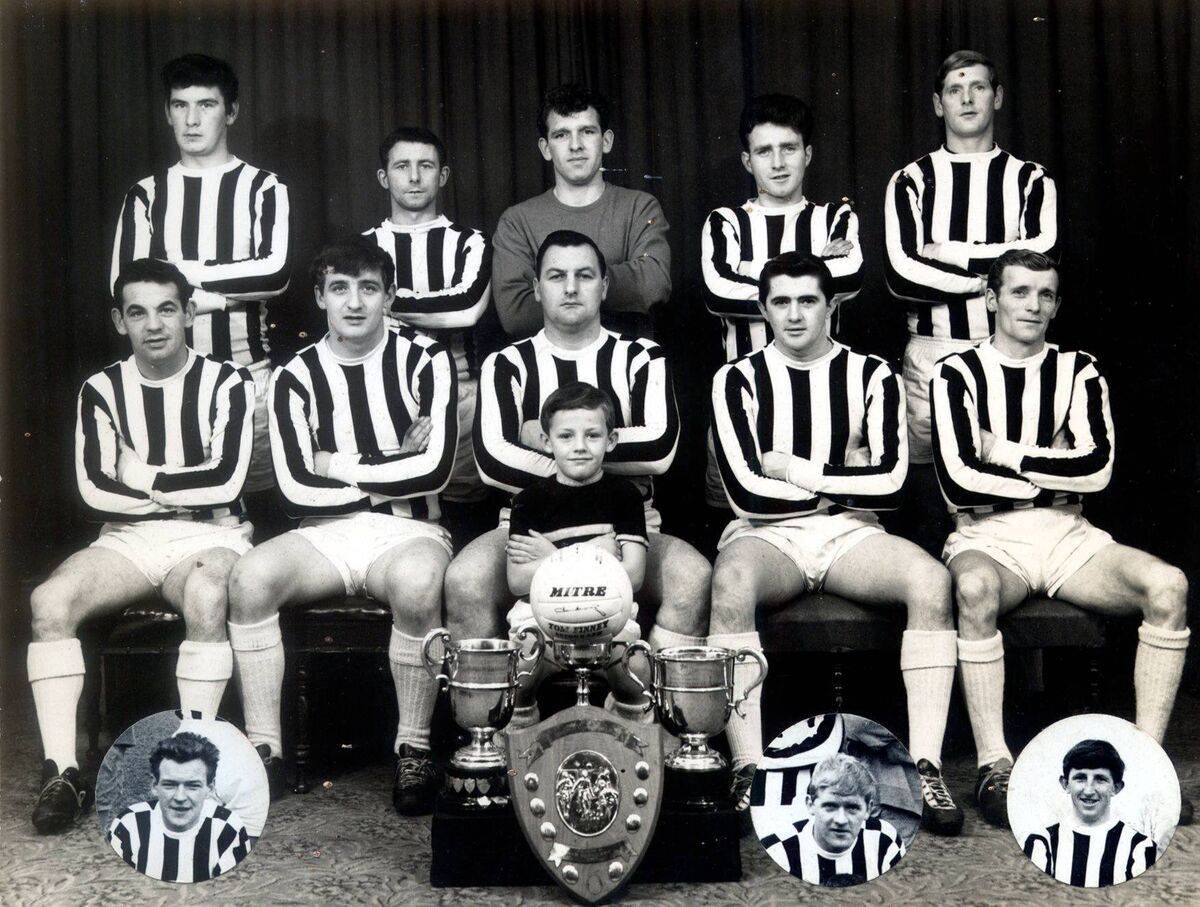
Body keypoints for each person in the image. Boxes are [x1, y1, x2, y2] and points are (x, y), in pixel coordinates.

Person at [931, 250, 1191, 828]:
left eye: (1046, 294)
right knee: (972, 589)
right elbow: (957, 478)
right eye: (1020, 292)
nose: (1033, 304)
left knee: (1168, 586)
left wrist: (1005, 452)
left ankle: (1146, 761)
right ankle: (994, 763)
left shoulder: (1079, 368)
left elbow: (1097, 468)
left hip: (1069, 533)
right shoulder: (958, 371)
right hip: (989, 535)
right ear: (992, 298)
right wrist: (1051, 472)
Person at [709, 252, 962, 835]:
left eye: (807, 300)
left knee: (930, 581)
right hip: (767, 535)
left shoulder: (871, 374)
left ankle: (925, 765)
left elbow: (893, 483)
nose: (794, 315)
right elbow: (747, 495)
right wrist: (843, 484)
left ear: (832, 304)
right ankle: (748, 766)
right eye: (780, 302)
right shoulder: (736, 379)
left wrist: (797, 472)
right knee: (730, 581)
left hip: (852, 533)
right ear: (761, 308)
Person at [226, 241, 457, 815]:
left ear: (390, 295)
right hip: (323, 533)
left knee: (421, 585)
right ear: (319, 296)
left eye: (369, 288)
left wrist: (338, 460)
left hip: (409, 531)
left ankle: (414, 748)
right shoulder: (295, 374)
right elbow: (295, 484)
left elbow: (435, 468)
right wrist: (387, 465)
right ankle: (265, 748)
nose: (354, 303)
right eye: (339, 288)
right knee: (251, 579)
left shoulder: (425, 357)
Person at [28, 258, 254, 834]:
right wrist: (171, 486)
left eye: (166, 309)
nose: (154, 324)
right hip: (128, 538)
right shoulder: (101, 389)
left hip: (213, 532)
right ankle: (63, 770)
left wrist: (141, 475)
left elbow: (225, 481)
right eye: (137, 312)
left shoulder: (227, 381)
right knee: (49, 603)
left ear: (189, 313)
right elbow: (94, 491)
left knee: (207, 595)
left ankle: (192, 769)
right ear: (119, 320)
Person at [446, 230, 709, 675]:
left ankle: (648, 715)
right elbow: (492, 461)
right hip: (528, 531)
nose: (570, 287)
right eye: (556, 276)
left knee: (695, 577)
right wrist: (593, 455)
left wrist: (538, 440)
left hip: (629, 527)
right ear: (536, 287)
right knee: (464, 580)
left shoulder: (641, 356)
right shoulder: (507, 363)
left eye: (584, 275)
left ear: (604, 286)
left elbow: (661, 448)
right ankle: (495, 729)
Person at [884, 50, 1057, 552]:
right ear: (938, 104)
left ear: (996, 97)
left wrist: (945, 253)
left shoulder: (1030, 178)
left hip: (1008, 354)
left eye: (978, 87)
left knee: (1002, 473)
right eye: (955, 90)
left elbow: (1043, 258)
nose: (967, 98)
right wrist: (997, 274)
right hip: (931, 353)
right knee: (924, 490)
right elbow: (900, 276)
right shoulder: (911, 180)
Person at [111, 54, 291, 531]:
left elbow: (274, 275)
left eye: (206, 104)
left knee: (263, 516)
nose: (192, 119)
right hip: (166, 384)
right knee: (181, 520)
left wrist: (177, 277)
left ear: (230, 112)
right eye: (180, 105)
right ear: (167, 112)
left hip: (250, 378)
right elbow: (126, 286)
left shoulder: (263, 188)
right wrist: (226, 291)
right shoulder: (146, 195)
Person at [700, 92, 863, 525]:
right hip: (743, 402)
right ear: (746, 160)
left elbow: (851, 279)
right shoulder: (725, 221)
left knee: (831, 519)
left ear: (807, 154)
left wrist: (751, 271)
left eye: (788, 148)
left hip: (830, 403)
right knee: (737, 524)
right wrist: (817, 265)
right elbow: (717, 292)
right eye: (763, 150)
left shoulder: (835, 218)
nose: (777, 162)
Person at [363, 127, 493, 544]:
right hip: (379, 391)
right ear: (385, 178)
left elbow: (467, 308)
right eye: (402, 166)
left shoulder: (470, 242)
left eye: (426, 166)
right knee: (394, 510)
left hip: (461, 393)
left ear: (444, 175)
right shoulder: (363, 247)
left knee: (464, 509)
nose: (414, 177)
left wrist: (382, 300)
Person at [505, 382, 650, 725]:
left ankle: (628, 735)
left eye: (593, 435)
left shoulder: (625, 496)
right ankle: (521, 740)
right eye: (566, 436)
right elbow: (516, 582)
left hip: (609, 619)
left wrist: (550, 557)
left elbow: (635, 575)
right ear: (546, 441)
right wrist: (591, 552)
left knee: (637, 671)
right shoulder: (528, 501)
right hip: (541, 620)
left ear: (610, 440)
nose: (580, 447)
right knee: (520, 667)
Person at [491, 84, 670, 339]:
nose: (575, 145)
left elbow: (653, 285)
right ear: (545, 148)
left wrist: (555, 286)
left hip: (625, 369)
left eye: (587, 131)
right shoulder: (517, 221)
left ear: (606, 141)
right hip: (547, 375)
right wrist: (606, 286)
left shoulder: (640, 207)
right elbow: (516, 314)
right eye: (562, 134)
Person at [108, 732, 251, 882]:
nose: (180, 797)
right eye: (170, 785)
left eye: (193, 786)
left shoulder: (228, 828)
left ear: (210, 788)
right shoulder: (128, 825)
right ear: (154, 785)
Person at [1023, 740, 1157, 887]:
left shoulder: (1140, 846)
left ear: (1116, 787)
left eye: (1100, 779)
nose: (1088, 790)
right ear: (1065, 784)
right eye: (1080, 778)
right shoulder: (1042, 842)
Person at [759, 753, 905, 887]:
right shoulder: (778, 850)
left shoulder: (886, 840)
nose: (841, 820)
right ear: (810, 804)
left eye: (852, 808)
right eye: (830, 806)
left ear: (868, 809)